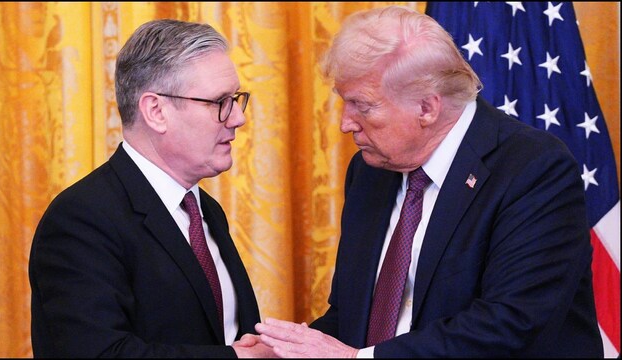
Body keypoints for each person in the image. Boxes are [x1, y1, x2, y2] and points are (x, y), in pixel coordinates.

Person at [254, 6, 603, 358]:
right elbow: (355, 317)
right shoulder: (369, 171)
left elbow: (509, 324)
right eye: (345, 103)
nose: (346, 123)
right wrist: (284, 349)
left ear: (427, 108)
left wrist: (355, 359)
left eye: (363, 106)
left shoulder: (533, 170)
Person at [29, 19, 272, 358]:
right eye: (220, 102)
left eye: (236, 99)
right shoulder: (81, 219)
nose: (237, 118)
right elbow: (99, 353)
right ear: (156, 111)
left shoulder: (206, 210)